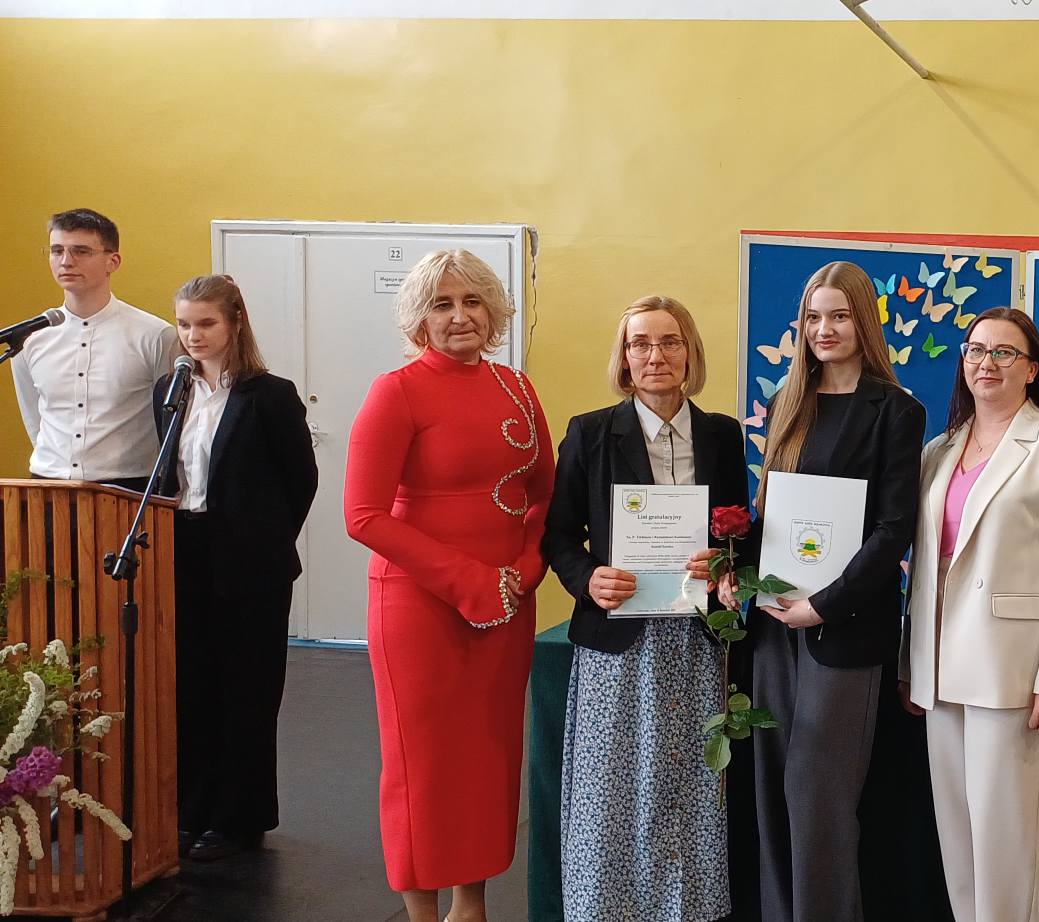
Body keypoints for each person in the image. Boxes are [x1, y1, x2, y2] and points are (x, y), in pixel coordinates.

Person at [701, 260, 924, 922]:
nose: (825, 329)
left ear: (864, 323)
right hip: (775, 624)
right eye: (814, 317)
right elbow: (774, 514)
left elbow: (893, 530)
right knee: (772, 786)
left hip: (844, 627)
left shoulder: (896, 410)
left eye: (840, 316)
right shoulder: (788, 404)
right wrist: (735, 569)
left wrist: (821, 605)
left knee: (816, 794)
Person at [343, 249, 552, 922]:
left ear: (493, 310)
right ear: (419, 319)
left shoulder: (517, 387)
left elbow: (544, 496)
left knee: (489, 757)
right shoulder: (396, 391)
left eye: (472, 301)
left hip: (507, 603)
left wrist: (523, 573)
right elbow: (363, 515)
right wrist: (469, 581)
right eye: (442, 304)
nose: (460, 316)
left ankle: (472, 905)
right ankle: (421, 914)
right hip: (419, 606)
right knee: (423, 765)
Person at [543, 296, 745, 921]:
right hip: (619, 640)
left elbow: (739, 532)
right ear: (625, 358)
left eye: (669, 341)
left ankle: (688, 909)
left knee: (690, 786)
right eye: (640, 343)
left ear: (690, 352)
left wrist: (724, 562)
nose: (655, 355)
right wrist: (588, 579)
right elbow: (557, 535)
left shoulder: (721, 435)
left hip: (695, 641)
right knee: (612, 789)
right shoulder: (590, 432)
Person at [900, 307, 1039, 922]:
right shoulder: (938, 451)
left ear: (1032, 369)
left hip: (1011, 675)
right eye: (976, 350)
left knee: (1006, 847)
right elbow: (924, 570)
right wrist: (912, 665)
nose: (987, 362)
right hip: (941, 672)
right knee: (957, 844)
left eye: (1004, 352)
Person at [151, 275, 317, 861]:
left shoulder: (269, 395)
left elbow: (301, 480)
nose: (193, 336)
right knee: (192, 685)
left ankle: (240, 818)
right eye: (184, 324)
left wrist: (264, 541)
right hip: (186, 549)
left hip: (251, 562)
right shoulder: (170, 391)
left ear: (235, 323)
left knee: (248, 691)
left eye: (206, 323)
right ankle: (193, 810)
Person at [12, 208, 179, 488]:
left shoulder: (155, 335)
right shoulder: (29, 338)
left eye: (81, 251)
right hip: (48, 484)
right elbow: (34, 419)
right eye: (56, 251)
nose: (66, 261)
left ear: (112, 261)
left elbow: (169, 419)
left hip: (127, 486)